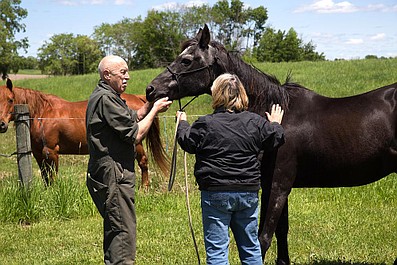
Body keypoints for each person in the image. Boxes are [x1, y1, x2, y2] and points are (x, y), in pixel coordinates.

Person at [176, 73, 285, 265]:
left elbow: (187, 142)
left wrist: (182, 123)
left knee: (217, 252)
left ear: (216, 94)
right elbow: (275, 138)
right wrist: (275, 123)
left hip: (215, 193)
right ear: (242, 94)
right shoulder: (255, 122)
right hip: (247, 193)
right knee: (251, 249)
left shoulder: (205, 123)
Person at [85, 55, 172, 264]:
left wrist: (150, 104)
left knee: (117, 228)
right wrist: (155, 112)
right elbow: (136, 134)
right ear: (107, 75)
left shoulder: (108, 95)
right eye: (122, 73)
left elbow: (133, 116)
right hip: (113, 174)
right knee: (122, 232)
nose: (128, 77)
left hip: (110, 173)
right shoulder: (106, 99)